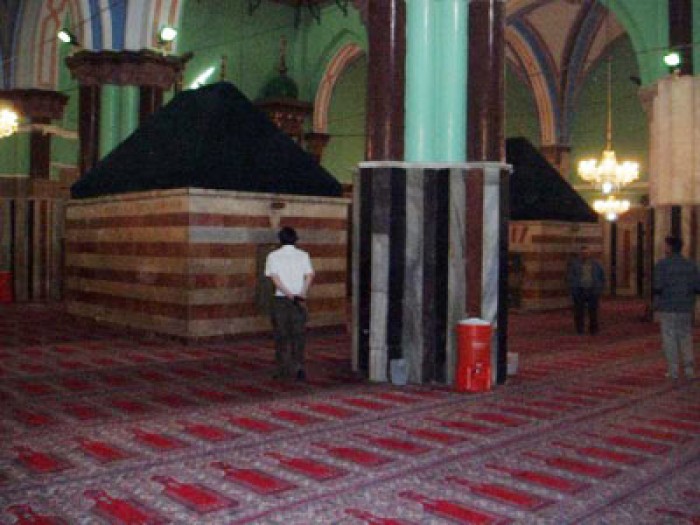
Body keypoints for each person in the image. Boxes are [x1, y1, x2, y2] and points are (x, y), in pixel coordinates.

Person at [264, 227, 314, 381]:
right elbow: (309, 275)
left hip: (281, 300)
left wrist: (288, 294)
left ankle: (282, 369)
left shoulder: (273, 256)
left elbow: (275, 279)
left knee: (281, 335)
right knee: (298, 335)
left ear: (280, 240)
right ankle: (298, 367)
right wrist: (302, 293)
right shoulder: (303, 255)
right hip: (299, 299)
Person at [653, 236, 699, 380]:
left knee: (670, 339)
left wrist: (656, 304)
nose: (664, 248)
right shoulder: (691, 265)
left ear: (670, 247)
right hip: (685, 307)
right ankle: (689, 370)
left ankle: (673, 371)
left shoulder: (662, 265)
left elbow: (658, 287)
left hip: (668, 306)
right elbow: (697, 287)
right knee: (686, 337)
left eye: (665, 246)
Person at [566, 245, 605, 335]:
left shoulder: (596, 264)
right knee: (579, 311)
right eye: (583, 253)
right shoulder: (575, 264)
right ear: (580, 254)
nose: (585, 254)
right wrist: (572, 288)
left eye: (587, 253)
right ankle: (580, 329)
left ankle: (593, 329)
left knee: (593, 311)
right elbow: (570, 277)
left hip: (592, 290)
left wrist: (599, 287)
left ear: (589, 253)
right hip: (580, 290)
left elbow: (601, 276)